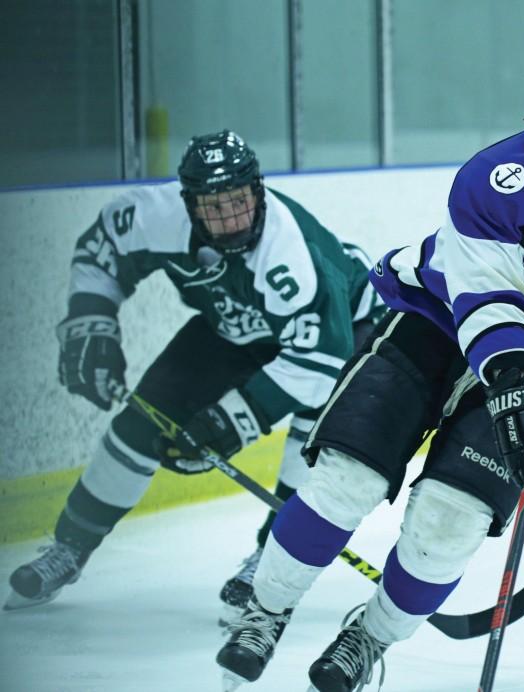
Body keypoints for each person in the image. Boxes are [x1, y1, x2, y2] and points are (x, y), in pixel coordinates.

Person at [216, 42, 524, 692]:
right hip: (436, 326)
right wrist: (522, 387)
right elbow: (486, 306)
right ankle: (266, 611)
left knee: (452, 521)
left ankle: (369, 637)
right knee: (346, 479)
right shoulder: (498, 179)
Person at [5, 131, 382, 623]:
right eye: (214, 206)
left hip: (342, 332)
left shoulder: (291, 253)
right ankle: (69, 548)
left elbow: (317, 360)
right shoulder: (151, 216)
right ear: (188, 204)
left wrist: (228, 424)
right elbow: (100, 253)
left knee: (312, 444)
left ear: (259, 192)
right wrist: (90, 321)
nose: (230, 219)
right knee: (142, 423)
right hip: (234, 324)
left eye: (239, 202)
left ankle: (270, 564)